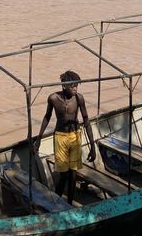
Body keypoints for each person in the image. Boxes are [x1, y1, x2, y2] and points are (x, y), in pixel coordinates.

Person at [33, 70, 96, 203]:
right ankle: (57, 201)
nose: (75, 88)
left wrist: (92, 146)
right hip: (60, 136)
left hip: (75, 136)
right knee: (63, 175)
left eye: (76, 86)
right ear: (64, 86)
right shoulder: (53, 98)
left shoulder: (79, 98)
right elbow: (47, 117)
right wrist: (38, 139)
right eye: (72, 86)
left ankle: (69, 203)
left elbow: (86, 121)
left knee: (72, 174)